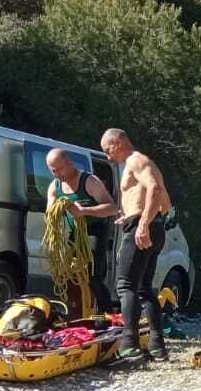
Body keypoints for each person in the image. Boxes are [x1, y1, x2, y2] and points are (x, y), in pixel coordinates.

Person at [100, 128, 173, 362]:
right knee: (143, 288)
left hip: (144, 227)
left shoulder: (136, 160)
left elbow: (155, 189)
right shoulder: (144, 162)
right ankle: (157, 346)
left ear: (118, 142)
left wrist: (142, 223)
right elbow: (167, 204)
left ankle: (129, 344)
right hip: (154, 225)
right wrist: (132, 216)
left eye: (107, 150)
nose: (108, 157)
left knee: (125, 286)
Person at [45, 148, 119, 314]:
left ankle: (107, 314)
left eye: (60, 169)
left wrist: (84, 211)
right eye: (53, 170)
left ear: (69, 163)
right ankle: (76, 313)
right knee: (68, 273)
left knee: (93, 275)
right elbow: (50, 211)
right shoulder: (54, 186)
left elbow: (112, 208)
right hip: (74, 232)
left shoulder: (90, 181)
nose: (57, 174)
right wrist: (59, 209)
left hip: (94, 230)